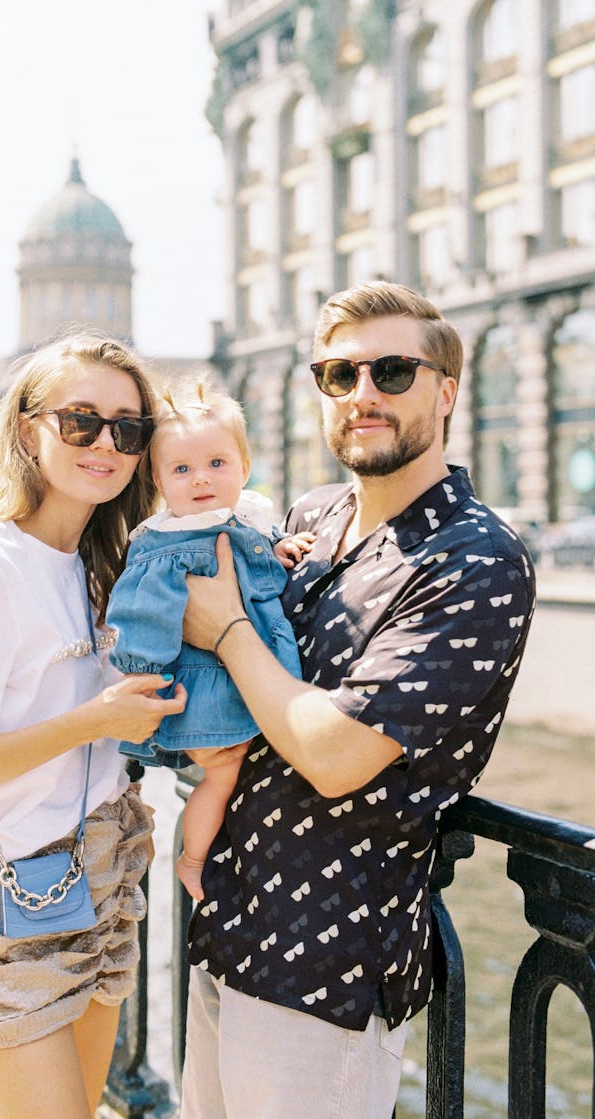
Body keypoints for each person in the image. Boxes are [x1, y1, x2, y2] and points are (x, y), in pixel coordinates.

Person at [178, 281, 536, 1119]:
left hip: (324, 970)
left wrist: (225, 625)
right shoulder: (314, 514)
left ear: (446, 391)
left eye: (392, 370)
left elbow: (336, 754)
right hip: (228, 926)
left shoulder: (476, 560)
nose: (362, 394)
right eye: (338, 374)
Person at [0, 332, 187, 1119]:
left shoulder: (108, 561)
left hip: (102, 872)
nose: (106, 443)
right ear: (29, 429)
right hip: (8, 902)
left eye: (127, 429)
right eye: (80, 422)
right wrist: (93, 719)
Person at [105, 376, 314, 902]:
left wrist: (282, 547)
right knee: (222, 773)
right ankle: (194, 860)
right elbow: (138, 616)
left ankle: (215, 858)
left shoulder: (241, 519)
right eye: (182, 469)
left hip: (245, 676)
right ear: (159, 482)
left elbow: (254, 554)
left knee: (233, 773)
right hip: (207, 691)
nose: (201, 479)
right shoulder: (164, 546)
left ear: (244, 468)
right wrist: (146, 683)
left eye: (217, 464)